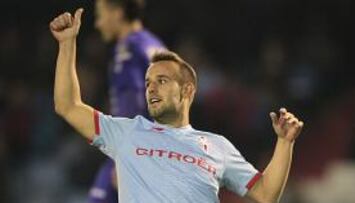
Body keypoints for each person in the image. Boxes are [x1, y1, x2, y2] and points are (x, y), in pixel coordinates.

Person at [50, 8, 304, 203]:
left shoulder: (218, 147)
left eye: (162, 81)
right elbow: (68, 106)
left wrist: (285, 143)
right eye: (148, 82)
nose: (151, 88)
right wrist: (66, 43)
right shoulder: (127, 132)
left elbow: (266, 194)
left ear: (187, 90)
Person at [90, 0, 166, 202]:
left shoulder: (128, 50)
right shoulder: (153, 44)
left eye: (101, 14)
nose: (98, 23)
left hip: (133, 154)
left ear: (117, 13)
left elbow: (132, 103)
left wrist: (126, 159)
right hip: (157, 152)